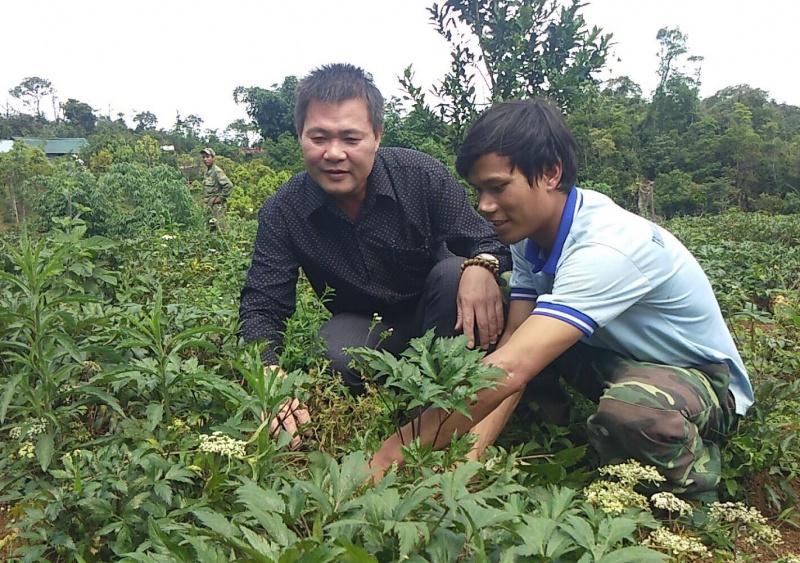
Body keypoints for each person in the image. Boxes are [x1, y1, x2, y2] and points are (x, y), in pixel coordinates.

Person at [370, 99, 754, 501]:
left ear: (551, 172)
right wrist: (467, 458)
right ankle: (552, 425)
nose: (484, 205)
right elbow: (514, 341)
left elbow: (514, 366)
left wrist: (396, 451)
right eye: (478, 190)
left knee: (632, 411)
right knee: (507, 324)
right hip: (611, 356)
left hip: (700, 381)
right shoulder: (528, 235)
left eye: (498, 187)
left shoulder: (606, 247)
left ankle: (692, 489)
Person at [239, 63, 510, 449]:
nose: (334, 153)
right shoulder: (284, 211)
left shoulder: (420, 175)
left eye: (351, 138)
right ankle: (392, 407)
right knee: (331, 349)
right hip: (368, 328)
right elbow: (262, 304)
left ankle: (453, 406)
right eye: (318, 137)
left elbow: (487, 239)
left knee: (456, 273)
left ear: (377, 135)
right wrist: (270, 375)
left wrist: (483, 265)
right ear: (299, 134)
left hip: (440, 315)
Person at [200, 147, 233, 226]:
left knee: (219, 229)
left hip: (217, 207)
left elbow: (229, 185)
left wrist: (220, 198)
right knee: (209, 229)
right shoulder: (207, 171)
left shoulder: (217, 171)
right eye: (203, 157)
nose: (205, 159)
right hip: (209, 206)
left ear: (213, 158)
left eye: (207, 157)